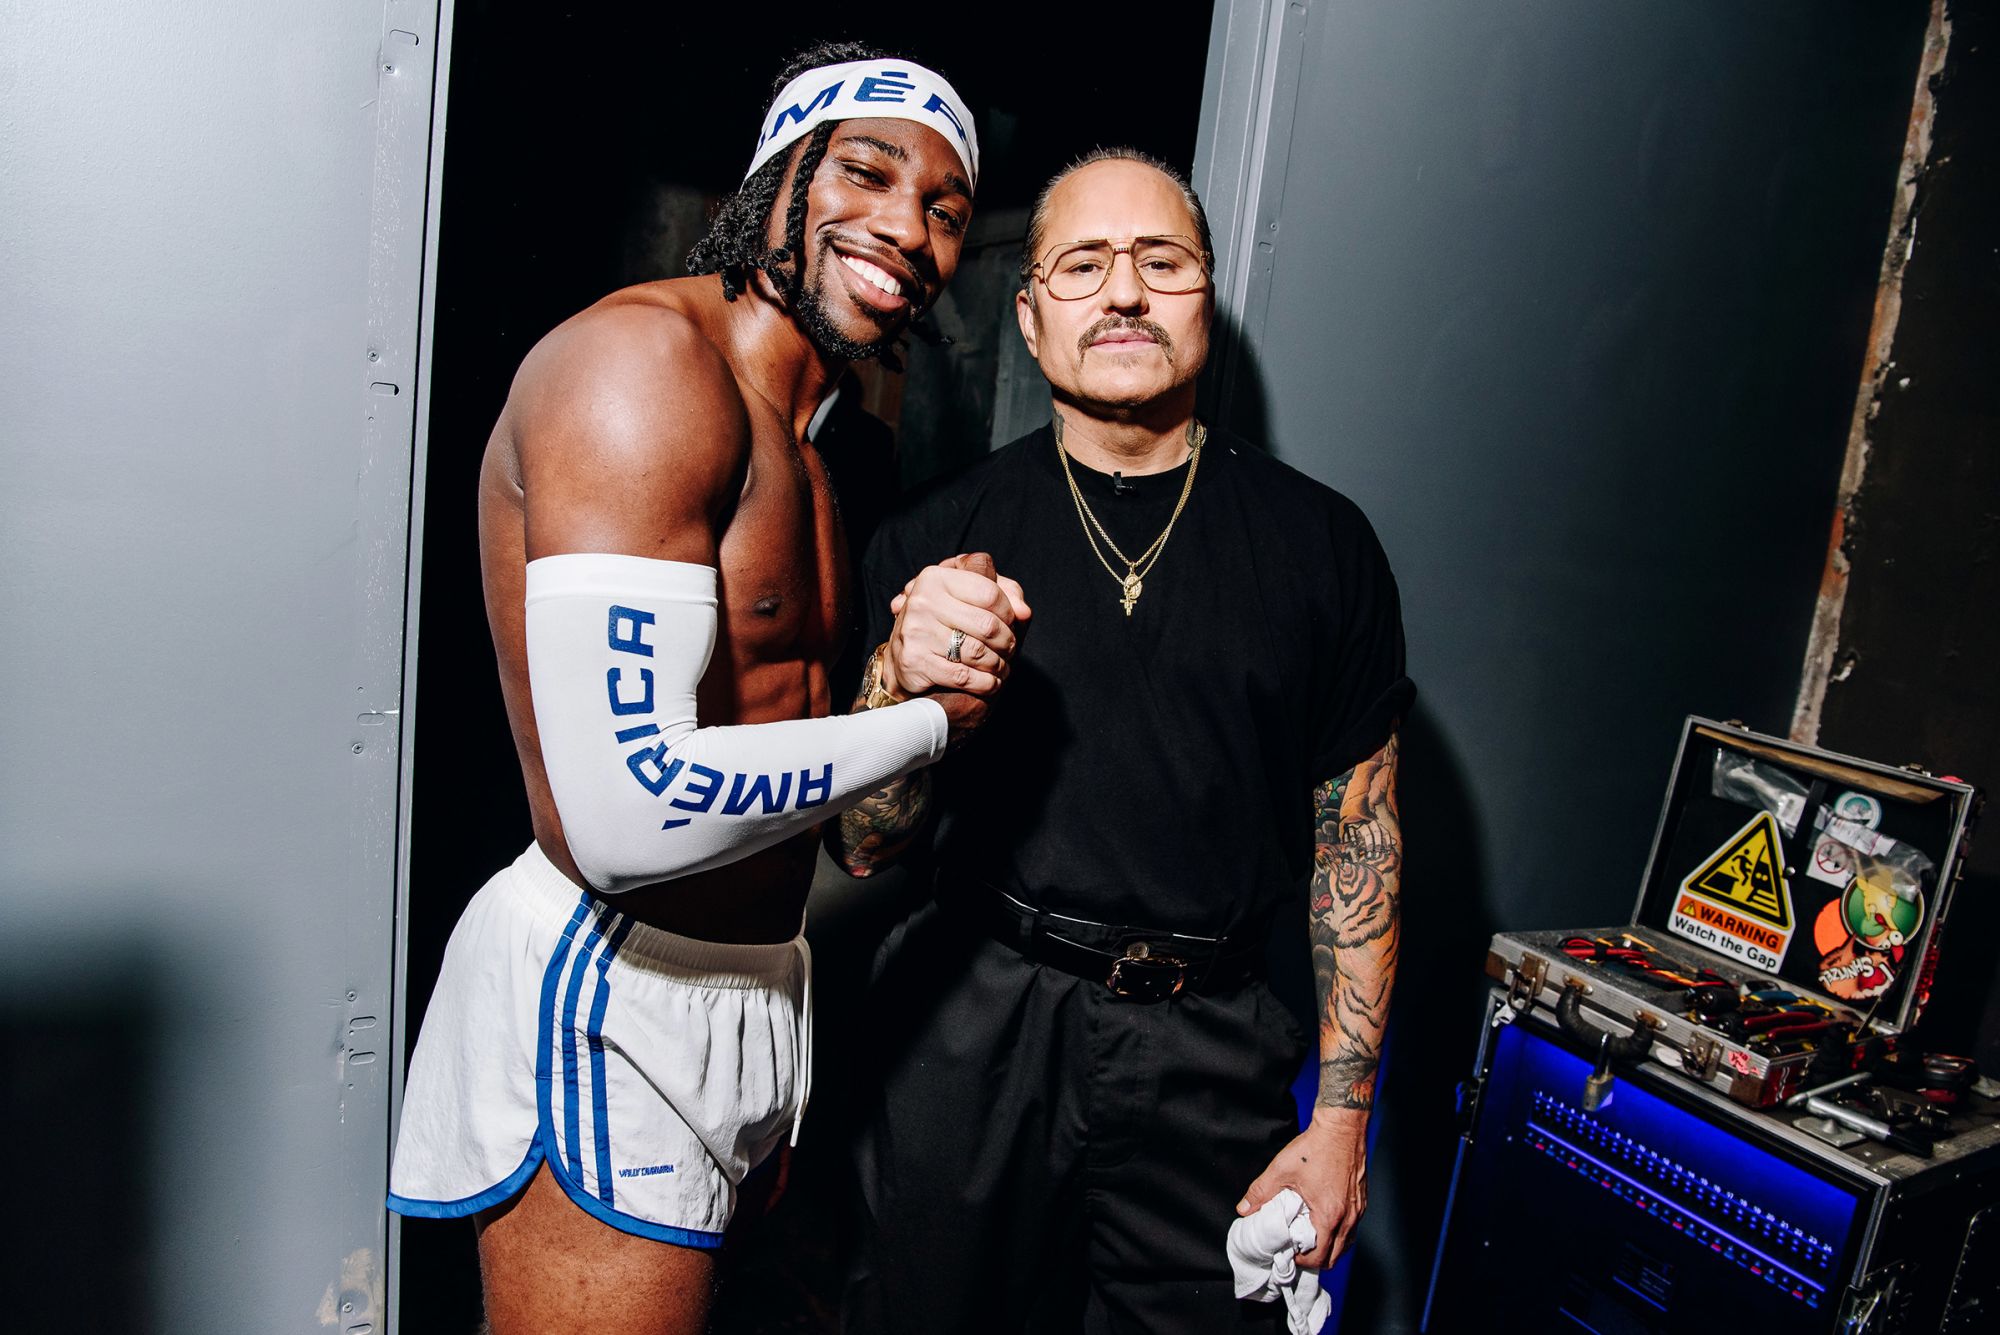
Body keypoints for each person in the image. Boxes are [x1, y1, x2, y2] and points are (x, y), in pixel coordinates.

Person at [386, 43, 1028, 1335]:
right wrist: (921, 722)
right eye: (867, 170)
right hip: (613, 991)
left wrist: (913, 661)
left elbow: (839, 825)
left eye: (947, 210)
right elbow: (630, 811)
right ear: (775, 177)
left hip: (752, 990)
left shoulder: (812, 452)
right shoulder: (643, 374)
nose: (907, 227)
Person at [833, 148, 1413, 1333]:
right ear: (1031, 315)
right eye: (1083, 264)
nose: (1126, 293)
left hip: (1210, 1054)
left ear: (1204, 297)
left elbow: (1359, 850)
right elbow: (860, 843)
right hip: (972, 1031)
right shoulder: (939, 535)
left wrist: (1342, 1123)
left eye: (1161, 260)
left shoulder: (1321, 547)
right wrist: (903, 678)